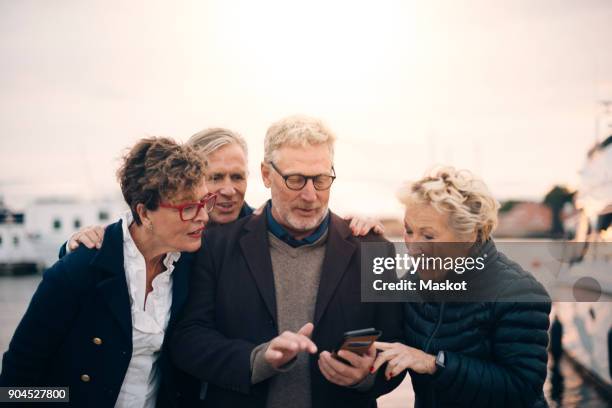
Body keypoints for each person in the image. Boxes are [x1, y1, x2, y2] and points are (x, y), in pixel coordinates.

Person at [169, 115, 405, 408]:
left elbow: (397, 347)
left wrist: (365, 377)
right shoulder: (214, 246)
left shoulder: (376, 251)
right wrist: (257, 359)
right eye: (295, 180)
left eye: (320, 179)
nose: (310, 195)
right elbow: (188, 339)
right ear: (266, 175)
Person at [0, 138, 212, 408]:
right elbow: (13, 386)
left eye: (205, 202)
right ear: (144, 213)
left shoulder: (189, 263)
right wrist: (71, 399)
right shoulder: (77, 273)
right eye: (188, 208)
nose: (204, 216)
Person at [371, 167, 551, 408]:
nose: (413, 247)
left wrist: (434, 363)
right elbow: (392, 345)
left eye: (429, 236)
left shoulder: (520, 293)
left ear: (468, 235)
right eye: (409, 230)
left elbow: (521, 388)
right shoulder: (413, 281)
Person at [63, 128, 382, 252]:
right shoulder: (166, 231)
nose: (228, 191)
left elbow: (396, 325)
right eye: (215, 178)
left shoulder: (259, 228)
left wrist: (374, 240)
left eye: (237, 177)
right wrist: (77, 243)